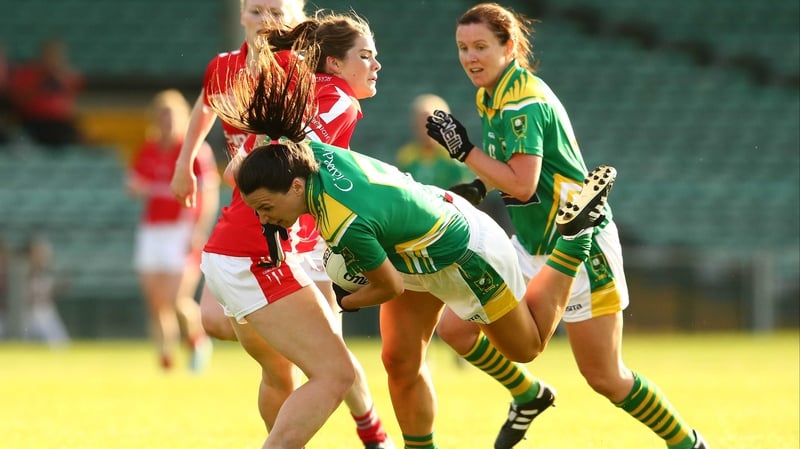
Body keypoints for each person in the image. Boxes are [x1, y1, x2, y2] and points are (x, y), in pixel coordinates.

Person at [211, 38, 615, 448]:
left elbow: (388, 287)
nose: (264, 219)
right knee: (400, 363)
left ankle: (575, 237)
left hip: (461, 253)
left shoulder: (342, 221)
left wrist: (343, 298)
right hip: (411, 249)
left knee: (527, 346)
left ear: (295, 186)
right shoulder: (307, 153)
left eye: (265, 207)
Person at [427, 4, 709, 449]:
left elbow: (523, 183)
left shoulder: (523, 102)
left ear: (510, 46)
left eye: (481, 46)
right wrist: (479, 185)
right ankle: (528, 393)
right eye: (463, 47)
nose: (470, 57)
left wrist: (465, 151)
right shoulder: (492, 94)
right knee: (455, 329)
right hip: (531, 243)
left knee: (606, 377)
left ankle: (689, 444)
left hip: (577, 245)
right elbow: (510, 168)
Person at [170, 3, 394, 447]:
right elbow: (264, 158)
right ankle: (374, 437)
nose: (267, 18)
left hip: (270, 241)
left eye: (277, 9)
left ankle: (373, 435)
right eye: (365, 55)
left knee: (321, 363)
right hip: (262, 243)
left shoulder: (300, 74)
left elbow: (256, 164)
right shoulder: (330, 98)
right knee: (329, 368)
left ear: (297, 16)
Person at [126, 89, 218, 372]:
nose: (166, 123)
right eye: (161, 117)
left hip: (182, 229)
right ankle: (165, 356)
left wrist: (198, 230)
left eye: (171, 117)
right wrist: (140, 187)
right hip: (153, 230)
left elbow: (209, 194)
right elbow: (133, 184)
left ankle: (197, 339)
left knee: (177, 299)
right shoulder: (149, 149)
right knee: (156, 301)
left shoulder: (194, 151)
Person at [8, 39, 85, 147]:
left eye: (57, 55)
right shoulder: (29, 74)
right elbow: (21, 100)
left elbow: (71, 97)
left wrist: (59, 77)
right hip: (34, 120)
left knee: (76, 138)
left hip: (59, 122)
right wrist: (41, 82)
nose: (53, 59)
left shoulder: (66, 76)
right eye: (50, 54)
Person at [394, 94, 471, 189]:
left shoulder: (455, 157)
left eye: (429, 122)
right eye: (420, 122)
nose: (424, 127)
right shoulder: (406, 156)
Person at [20, 234, 70, 347]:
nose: (44, 257)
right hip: (24, 314)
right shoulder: (19, 270)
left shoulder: (45, 272)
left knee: (60, 344)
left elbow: (45, 294)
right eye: (39, 253)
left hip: (43, 313)